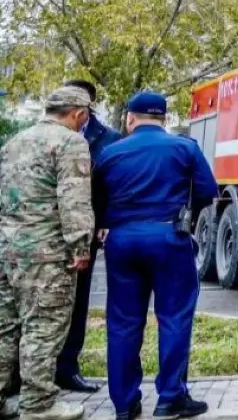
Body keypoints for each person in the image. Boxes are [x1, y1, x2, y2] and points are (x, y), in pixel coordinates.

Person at [95, 92, 218, 420]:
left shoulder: (110, 153)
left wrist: (109, 221)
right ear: (163, 119)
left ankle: (124, 404)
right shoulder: (184, 148)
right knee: (174, 316)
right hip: (168, 237)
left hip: (121, 240)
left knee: (123, 322)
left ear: (130, 118)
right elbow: (208, 190)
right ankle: (170, 399)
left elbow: (96, 197)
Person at [0, 87, 96, 420]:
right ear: (79, 114)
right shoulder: (71, 143)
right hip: (47, 254)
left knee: (5, 328)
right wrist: (80, 245)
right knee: (43, 327)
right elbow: (74, 199)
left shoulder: (14, 143)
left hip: (8, 249)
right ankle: (38, 404)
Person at [56, 80, 122, 394]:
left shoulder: (109, 139)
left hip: (86, 231)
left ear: (87, 106)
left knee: (78, 300)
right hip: (46, 231)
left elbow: (112, 187)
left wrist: (105, 222)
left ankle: (67, 368)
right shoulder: (48, 132)